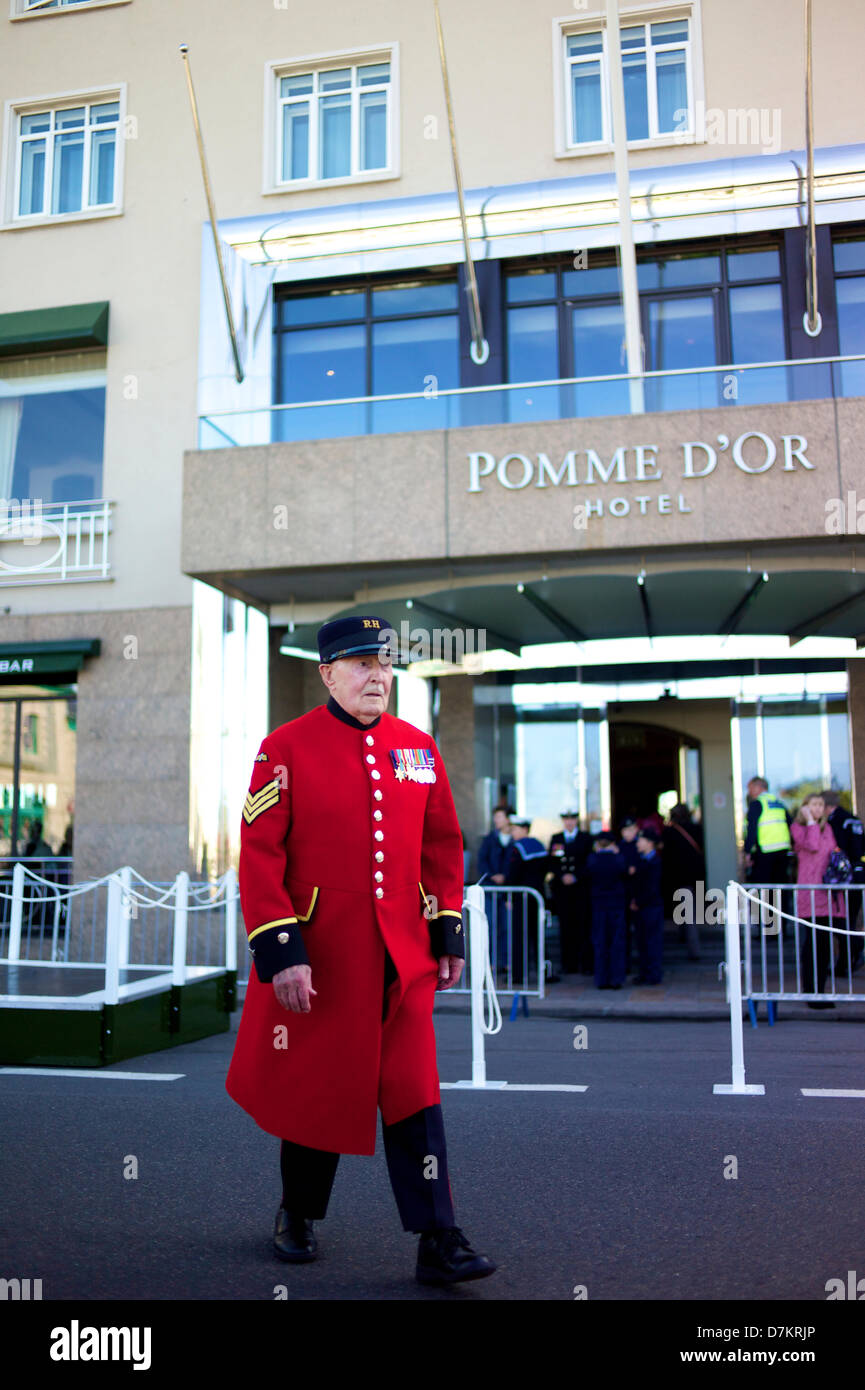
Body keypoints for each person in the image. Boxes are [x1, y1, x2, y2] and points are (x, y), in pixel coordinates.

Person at [225, 615, 495, 1285]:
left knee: (414, 1093)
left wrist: (446, 929)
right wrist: (281, 949)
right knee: (320, 1090)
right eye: (361, 663)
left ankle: (438, 1237)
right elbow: (260, 853)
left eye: (385, 663)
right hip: (324, 954)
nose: (378, 674)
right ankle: (297, 1211)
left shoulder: (419, 748)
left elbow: (442, 847)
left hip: (402, 956)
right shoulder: (283, 748)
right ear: (327, 673)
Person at [790, 792, 845, 1010]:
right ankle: (810, 991)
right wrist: (811, 822)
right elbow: (812, 845)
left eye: (821, 805)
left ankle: (821, 992)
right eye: (814, 804)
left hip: (826, 893)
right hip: (809, 893)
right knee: (811, 944)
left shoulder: (828, 828)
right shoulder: (798, 828)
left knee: (824, 945)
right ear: (805, 807)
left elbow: (830, 852)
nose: (819, 808)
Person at [821, 791, 865, 972]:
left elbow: (834, 849)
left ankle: (853, 949)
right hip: (859, 871)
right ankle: (845, 963)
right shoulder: (853, 819)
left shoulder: (836, 821)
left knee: (841, 920)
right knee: (850, 919)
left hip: (845, 876)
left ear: (826, 806)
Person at [504, 818, 548, 985]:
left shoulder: (518, 848)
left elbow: (513, 873)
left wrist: (508, 896)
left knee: (519, 936)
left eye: (515, 829)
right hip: (537, 895)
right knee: (538, 935)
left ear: (524, 829)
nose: (513, 832)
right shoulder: (538, 845)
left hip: (521, 897)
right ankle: (544, 971)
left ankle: (518, 974)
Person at [548, 810, 593, 975]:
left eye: (572, 819)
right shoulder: (557, 838)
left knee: (582, 925)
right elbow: (552, 862)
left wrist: (576, 876)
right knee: (566, 927)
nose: (569, 822)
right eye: (566, 819)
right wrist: (562, 876)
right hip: (563, 890)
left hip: (580, 888)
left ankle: (585, 963)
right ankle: (569, 963)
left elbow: (589, 862)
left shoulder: (585, 838)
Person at [585, 833, 627, 990]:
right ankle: (616, 978)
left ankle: (601, 979)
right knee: (616, 941)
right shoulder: (618, 859)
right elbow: (624, 871)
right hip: (616, 904)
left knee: (600, 942)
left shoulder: (593, 859)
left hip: (599, 905)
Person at [664, 802, 705, 960]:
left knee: (687, 912)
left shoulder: (670, 832)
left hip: (678, 875)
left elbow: (667, 854)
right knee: (690, 910)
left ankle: (694, 949)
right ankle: (687, 939)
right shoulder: (697, 829)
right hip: (695, 875)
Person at [477, 806, 513, 973]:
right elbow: (482, 861)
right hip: (491, 889)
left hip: (509, 890)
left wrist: (505, 876)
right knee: (490, 926)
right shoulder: (490, 839)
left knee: (507, 926)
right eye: (495, 817)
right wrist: (493, 875)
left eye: (499, 816)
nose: (496, 820)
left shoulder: (514, 838)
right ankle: (491, 962)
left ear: (508, 818)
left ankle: (507, 961)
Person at [631, 826, 664, 985]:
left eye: (641, 840)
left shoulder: (655, 861)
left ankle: (653, 973)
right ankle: (644, 972)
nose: (638, 843)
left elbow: (653, 887)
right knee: (642, 941)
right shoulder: (640, 860)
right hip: (641, 907)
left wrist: (639, 901)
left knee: (652, 941)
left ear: (650, 843)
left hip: (651, 907)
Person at [743, 777, 792, 885]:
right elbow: (790, 824)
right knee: (780, 888)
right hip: (783, 851)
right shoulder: (779, 803)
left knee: (764, 889)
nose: (749, 792)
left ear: (758, 787)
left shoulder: (756, 804)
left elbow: (752, 830)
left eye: (750, 788)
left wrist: (747, 852)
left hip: (765, 852)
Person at [617, 818, 640, 974]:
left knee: (640, 930)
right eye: (626, 830)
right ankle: (625, 964)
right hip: (622, 894)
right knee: (623, 931)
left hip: (638, 894)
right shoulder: (618, 847)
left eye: (632, 829)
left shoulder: (640, 846)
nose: (629, 833)